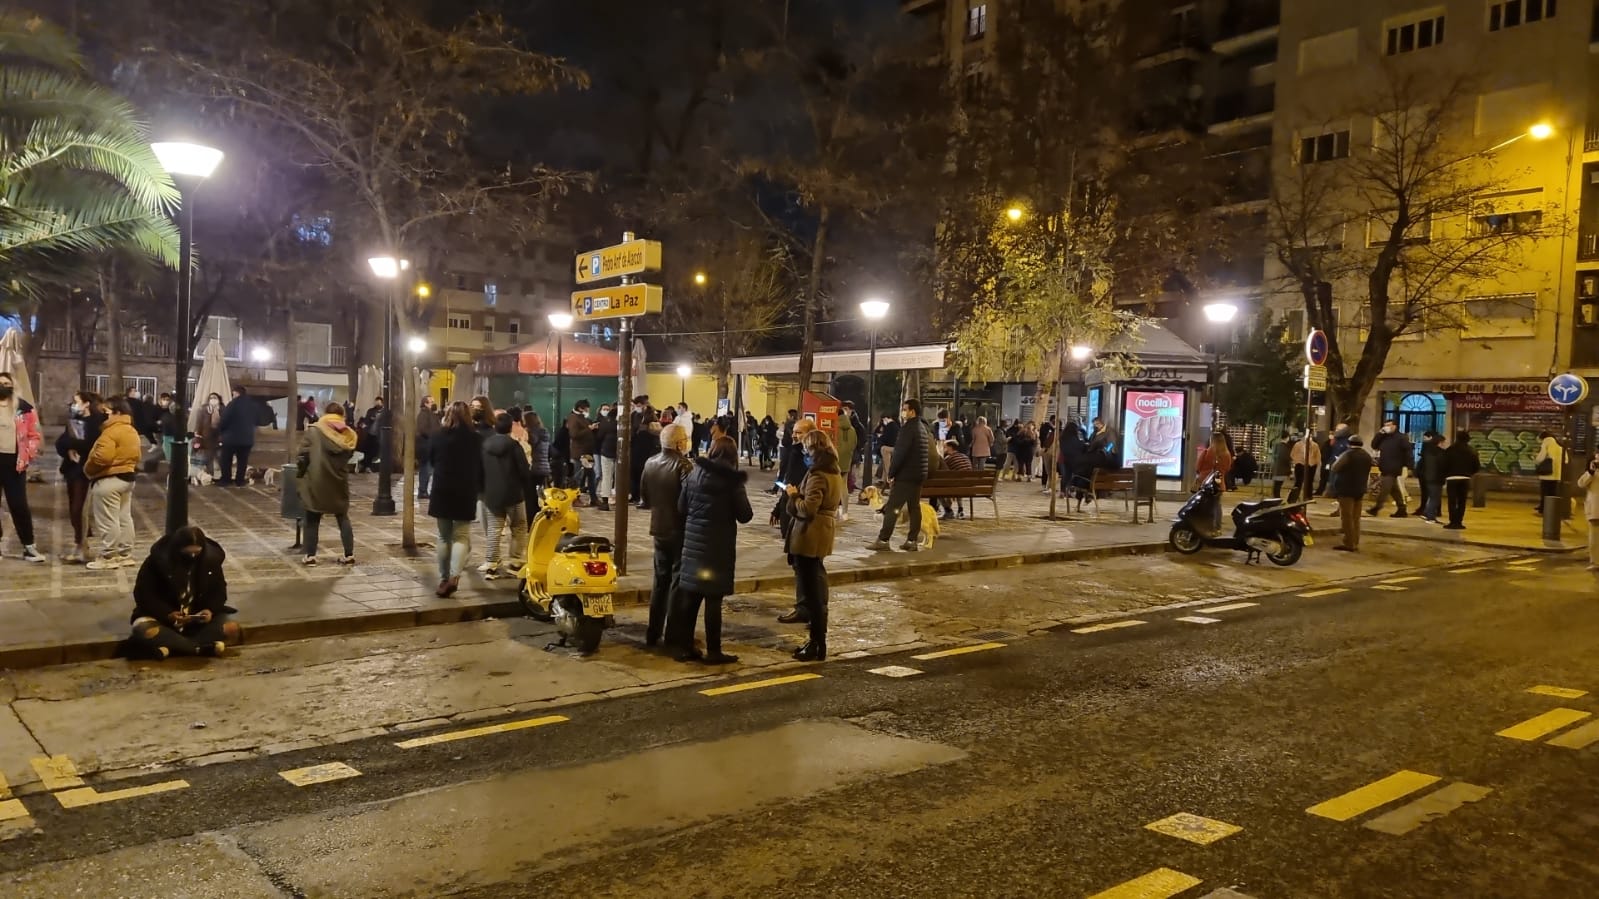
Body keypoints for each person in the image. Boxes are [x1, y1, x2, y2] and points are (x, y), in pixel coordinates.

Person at [667, 436, 752, 664]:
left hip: (694, 545)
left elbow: (681, 506)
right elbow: (745, 515)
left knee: (691, 598)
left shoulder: (694, 473)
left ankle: (685, 647)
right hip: (718, 548)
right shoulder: (732, 480)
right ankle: (714, 651)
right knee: (713, 600)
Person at [127, 525, 242, 659]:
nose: (192, 557)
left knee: (231, 627)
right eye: (187, 554)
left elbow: (219, 593)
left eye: (196, 553)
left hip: (196, 622)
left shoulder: (210, 561)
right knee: (143, 629)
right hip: (163, 620)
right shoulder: (156, 562)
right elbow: (144, 595)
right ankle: (198, 649)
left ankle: (172, 647)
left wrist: (210, 610)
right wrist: (167, 614)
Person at [785, 428, 844, 662]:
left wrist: (793, 495)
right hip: (821, 533)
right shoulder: (833, 471)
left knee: (813, 595)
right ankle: (817, 642)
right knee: (815, 590)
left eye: (807, 449)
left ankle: (817, 643)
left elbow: (808, 508)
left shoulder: (818, 474)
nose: (805, 454)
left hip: (811, 534)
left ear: (815, 450)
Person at [641, 422, 693, 647]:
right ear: (680, 443)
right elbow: (687, 500)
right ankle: (673, 634)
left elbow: (645, 496)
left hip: (658, 527)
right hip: (679, 529)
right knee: (676, 582)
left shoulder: (650, 462)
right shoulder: (684, 465)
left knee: (660, 581)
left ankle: (653, 631)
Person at [428, 401, 484, 597]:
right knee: (461, 535)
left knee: (443, 536)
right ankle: (454, 576)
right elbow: (481, 465)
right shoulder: (476, 439)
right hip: (466, 489)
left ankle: (444, 579)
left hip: (442, 488)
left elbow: (432, 460)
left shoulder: (437, 435)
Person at [295, 402, 358, 566]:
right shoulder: (349, 434)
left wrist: (301, 472)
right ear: (341, 415)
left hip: (317, 479)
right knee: (342, 516)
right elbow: (348, 456)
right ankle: (349, 554)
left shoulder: (314, 431)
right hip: (339, 479)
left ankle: (310, 556)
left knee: (312, 517)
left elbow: (302, 455)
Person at [84, 396, 140, 569]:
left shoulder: (111, 431)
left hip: (108, 479)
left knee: (108, 519)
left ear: (117, 412)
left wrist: (89, 468)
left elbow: (103, 457)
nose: (102, 414)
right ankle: (125, 553)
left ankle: (109, 556)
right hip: (127, 477)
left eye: (105, 411)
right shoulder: (130, 430)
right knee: (124, 517)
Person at [871, 399, 929, 552]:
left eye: (905, 409)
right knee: (914, 508)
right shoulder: (922, 427)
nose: (903, 412)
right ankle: (912, 540)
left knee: (892, 507)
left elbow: (899, 453)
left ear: (912, 411)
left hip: (906, 474)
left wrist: (892, 473)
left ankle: (883, 540)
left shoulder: (908, 428)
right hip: (918, 474)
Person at [480, 412, 530, 580]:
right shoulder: (514, 446)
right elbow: (524, 470)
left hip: (492, 494)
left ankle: (492, 564)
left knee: (494, 529)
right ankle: (515, 561)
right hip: (513, 494)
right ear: (510, 427)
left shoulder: (485, 445)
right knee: (519, 527)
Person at [0, 373, 43, 562]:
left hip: (15, 465)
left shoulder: (23, 409)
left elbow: (34, 435)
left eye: (7, 383)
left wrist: (28, 455)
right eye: (0, 383)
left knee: (18, 505)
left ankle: (29, 546)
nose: (3, 386)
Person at [57, 391, 104, 563]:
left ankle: (82, 545)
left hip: (86, 471)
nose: (73, 405)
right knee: (73, 509)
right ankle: (80, 544)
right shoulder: (74, 419)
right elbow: (61, 442)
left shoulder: (97, 422)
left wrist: (72, 444)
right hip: (71, 469)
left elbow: (89, 444)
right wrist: (68, 448)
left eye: (76, 401)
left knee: (79, 508)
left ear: (86, 404)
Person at [1331, 434, 1374, 552]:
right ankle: (1355, 541)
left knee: (1346, 517)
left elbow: (1335, 468)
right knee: (1356, 517)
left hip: (1346, 489)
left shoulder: (1347, 454)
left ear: (1349, 443)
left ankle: (1349, 543)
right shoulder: (1366, 455)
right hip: (1360, 489)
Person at [1368, 420, 1411, 518]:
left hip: (1394, 467)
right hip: (1384, 467)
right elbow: (1374, 445)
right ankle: (1402, 509)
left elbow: (1408, 452)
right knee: (1394, 490)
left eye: (1388, 425)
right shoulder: (1384, 437)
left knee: (1384, 489)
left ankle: (1376, 508)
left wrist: (1409, 466)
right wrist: (1379, 434)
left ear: (1394, 426)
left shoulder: (1401, 438)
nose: (1386, 427)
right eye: (1385, 425)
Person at [217, 386, 257, 487]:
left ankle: (226, 479)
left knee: (226, 459)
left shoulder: (233, 404)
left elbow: (224, 420)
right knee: (242, 461)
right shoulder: (252, 405)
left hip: (231, 438)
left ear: (237, 393)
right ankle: (240, 480)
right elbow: (257, 420)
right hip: (247, 438)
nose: (232, 395)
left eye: (233, 394)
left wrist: (221, 430)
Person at [1442, 431, 1480, 530]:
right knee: (1462, 501)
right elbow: (1476, 466)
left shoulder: (1450, 450)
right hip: (1465, 478)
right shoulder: (1472, 451)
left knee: (1452, 501)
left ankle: (1452, 522)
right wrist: (1468, 473)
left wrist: (1446, 474)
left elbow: (1444, 464)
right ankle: (1459, 522)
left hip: (1452, 478)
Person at [565, 400, 595, 503]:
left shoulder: (582, 417)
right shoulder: (573, 418)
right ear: (580, 408)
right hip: (579, 452)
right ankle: (574, 498)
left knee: (591, 475)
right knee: (578, 476)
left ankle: (594, 498)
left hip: (587, 452)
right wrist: (589, 429)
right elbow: (574, 434)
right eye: (586, 408)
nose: (588, 410)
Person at [523, 411, 551, 518]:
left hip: (533, 468)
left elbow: (531, 443)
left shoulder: (532, 433)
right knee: (540, 495)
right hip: (544, 467)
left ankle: (532, 520)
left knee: (530, 498)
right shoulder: (545, 432)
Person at [938, 439, 973, 519]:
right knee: (959, 482)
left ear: (950, 447)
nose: (944, 449)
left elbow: (944, 473)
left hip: (958, 486)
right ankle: (960, 510)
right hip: (970, 486)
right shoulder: (965, 457)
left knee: (937, 489)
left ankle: (948, 511)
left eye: (945, 447)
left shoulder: (948, 459)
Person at [1417, 432, 1446, 523]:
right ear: (1439, 442)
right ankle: (1430, 517)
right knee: (1435, 498)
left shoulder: (1428, 452)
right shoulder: (1440, 453)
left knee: (1432, 497)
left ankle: (1426, 513)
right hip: (1436, 478)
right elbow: (1442, 466)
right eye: (1443, 442)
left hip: (1428, 477)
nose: (1444, 444)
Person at [594, 403, 618, 512]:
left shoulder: (605, 423)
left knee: (607, 476)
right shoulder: (624, 423)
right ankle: (619, 498)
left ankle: (605, 501)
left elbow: (599, 436)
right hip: (620, 452)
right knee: (619, 477)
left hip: (606, 451)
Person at [1534, 429, 1564, 514]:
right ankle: (1552, 509)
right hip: (1556, 474)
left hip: (1546, 473)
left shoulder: (1546, 443)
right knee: (1552, 492)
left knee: (1544, 492)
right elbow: (1566, 460)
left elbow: (1541, 457)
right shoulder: (1559, 445)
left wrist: (1536, 459)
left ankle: (1542, 509)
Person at [193, 392, 223, 478]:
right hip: (207, 437)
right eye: (211, 398)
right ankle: (210, 475)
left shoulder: (223, 410)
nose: (213, 400)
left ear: (219, 399)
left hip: (219, 437)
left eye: (215, 398)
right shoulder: (203, 410)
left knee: (221, 457)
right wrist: (198, 436)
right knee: (208, 457)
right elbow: (199, 424)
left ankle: (223, 475)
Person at [415, 397, 440, 499]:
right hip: (426, 446)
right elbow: (423, 429)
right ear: (425, 403)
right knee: (426, 469)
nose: (434, 404)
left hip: (430, 445)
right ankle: (422, 491)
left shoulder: (430, 414)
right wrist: (434, 436)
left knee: (428, 470)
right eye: (432, 402)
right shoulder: (423, 415)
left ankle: (424, 490)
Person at [1288, 430, 1321, 503]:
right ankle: (1293, 498)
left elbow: (1318, 456)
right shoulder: (1298, 444)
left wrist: (1314, 463)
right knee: (1298, 482)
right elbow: (1293, 454)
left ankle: (1308, 496)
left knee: (1309, 482)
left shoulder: (1315, 445)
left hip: (1311, 465)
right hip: (1300, 464)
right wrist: (1298, 461)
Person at [1580, 454, 1599, 570]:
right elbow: (1581, 483)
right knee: (1594, 537)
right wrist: (1591, 472)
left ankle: (1595, 562)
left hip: (1595, 508)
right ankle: (1595, 562)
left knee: (1594, 537)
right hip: (1595, 508)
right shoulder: (1593, 467)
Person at [837, 400, 859, 493]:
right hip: (847, 458)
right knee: (844, 485)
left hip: (837, 460)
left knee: (838, 484)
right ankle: (844, 507)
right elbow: (855, 442)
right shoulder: (852, 428)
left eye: (846, 408)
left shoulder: (835, 427)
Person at [1270, 431, 1293, 498]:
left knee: (1277, 485)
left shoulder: (1277, 446)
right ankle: (1276, 499)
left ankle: (1276, 498)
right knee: (1278, 485)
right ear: (1287, 437)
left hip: (1277, 468)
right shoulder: (1284, 447)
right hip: (1282, 469)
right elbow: (1286, 458)